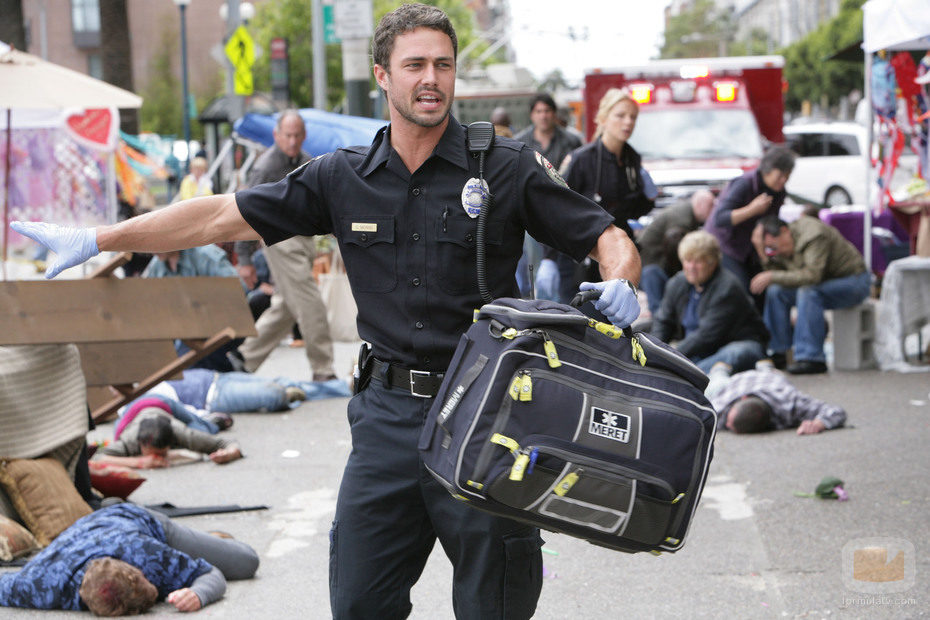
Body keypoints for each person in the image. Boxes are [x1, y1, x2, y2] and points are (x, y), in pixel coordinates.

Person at [11, 4, 641, 617]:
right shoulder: (342, 177)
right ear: (382, 75)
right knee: (360, 602)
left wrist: (621, 284)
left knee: (495, 605)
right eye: (415, 65)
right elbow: (217, 216)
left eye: (443, 65)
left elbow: (607, 237)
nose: (431, 79)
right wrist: (100, 238)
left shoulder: (505, 166)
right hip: (387, 418)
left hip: (487, 413)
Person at [0, 503, 259, 614]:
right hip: (80, 535)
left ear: (138, 569)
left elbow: (210, 572)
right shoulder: (40, 585)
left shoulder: (148, 555)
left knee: (245, 562)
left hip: (134, 520)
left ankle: (206, 540)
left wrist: (198, 593)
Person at [231, 110, 337, 382]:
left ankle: (243, 358)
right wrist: (244, 260)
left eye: (297, 135)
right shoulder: (265, 167)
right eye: (287, 135)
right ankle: (323, 369)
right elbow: (242, 212)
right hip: (280, 241)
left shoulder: (307, 162)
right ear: (276, 135)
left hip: (303, 241)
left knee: (288, 305)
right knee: (310, 303)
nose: (292, 141)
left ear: (304, 135)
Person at [546, 87, 657, 304]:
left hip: (618, 254)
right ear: (603, 118)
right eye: (620, 115)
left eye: (633, 117)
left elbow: (633, 208)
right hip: (582, 256)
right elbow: (555, 206)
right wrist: (549, 258)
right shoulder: (582, 160)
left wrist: (649, 199)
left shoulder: (632, 160)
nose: (628, 122)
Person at [749, 215, 871, 374]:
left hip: (854, 281)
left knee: (808, 292)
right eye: (769, 249)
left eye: (774, 247)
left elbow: (812, 276)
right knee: (776, 292)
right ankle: (778, 352)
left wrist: (772, 276)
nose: (775, 252)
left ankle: (812, 358)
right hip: (824, 283)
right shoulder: (784, 242)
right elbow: (783, 275)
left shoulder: (813, 234)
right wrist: (763, 255)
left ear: (784, 231)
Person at [651, 230, 768, 374]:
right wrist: (653, 352)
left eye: (698, 261)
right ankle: (684, 372)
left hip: (739, 344)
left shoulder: (727, 288)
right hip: (701, 349)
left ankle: (688, 375)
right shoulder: (677, 282)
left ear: (712, 263)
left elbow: (706, 335)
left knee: (732, 354)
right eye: (688, 260)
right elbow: (663, 321)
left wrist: (670, 357)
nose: (691, 267)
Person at [513, 92, 583, 298]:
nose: (543, 116)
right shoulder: (521, 142)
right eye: (539, 111)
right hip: (533, 214)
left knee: (566, 268)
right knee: (537, 267)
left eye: (547, 111)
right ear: (532, 115)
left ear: (554, 113)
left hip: (565, 213)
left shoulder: (571, 141)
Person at [703, 146, 796, 291]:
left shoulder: (779, 192)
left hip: (751, 248)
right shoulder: (745, 183)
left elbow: (771, 221)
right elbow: (720, 219)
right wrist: (752, 210)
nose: (783, 180)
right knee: (742, 288)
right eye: (780, 176)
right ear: (767, 170)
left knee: (764, 287)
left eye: (787, 176)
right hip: (725, 246)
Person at [142, 245, 247, 372]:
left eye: (154, 244)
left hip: (221, 326)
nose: (151, 251)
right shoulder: (156, 266)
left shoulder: (205, 255)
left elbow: (238, 290)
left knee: (189, 363)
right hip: (184, 334)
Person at [706, 361, 847, 435]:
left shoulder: (790, 402)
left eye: (729, 424)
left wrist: (818, 423)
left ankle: (764, 367)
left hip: (771, 381)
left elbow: (836, 411)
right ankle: (762, 366)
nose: (726, 425)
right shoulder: (721, 405)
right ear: (744, 398)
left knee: (715, 383)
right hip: (735, 384)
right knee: (716, 384)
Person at [93, 404, 243, 469]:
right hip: (135, 409)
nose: (157, 459)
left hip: (165, 405)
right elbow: (96, 458)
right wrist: (139, 462)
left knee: (203, 428)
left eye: (162, 454)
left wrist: (229, 454)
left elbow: (227, 443)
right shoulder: (129, 441)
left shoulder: (181, 433)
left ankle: (209, 421)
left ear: (171, 443)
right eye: (151, 454)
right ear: (140, 444)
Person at [638, 189, 714, 314]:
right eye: (710, 206)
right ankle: (660, 315)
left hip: (655, 263)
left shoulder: (687, 214)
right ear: (700, 204)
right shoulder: (683, 218)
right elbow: (675, 249)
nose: (713, 210)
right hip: (651, 265)